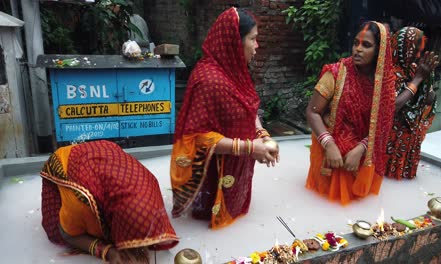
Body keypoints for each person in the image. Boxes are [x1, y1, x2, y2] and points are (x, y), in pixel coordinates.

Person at [170, 7, 279, 229]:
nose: (257, 46)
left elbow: (248, 109)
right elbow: (197, 137)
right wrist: (250, 148)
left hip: (237, 167)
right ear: (234, 42)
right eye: (253, 39)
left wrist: (262, 135)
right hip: (212, 176)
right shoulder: (208, 81)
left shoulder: (235, 71)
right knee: (208, 217)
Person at [40, 140, 178, 264]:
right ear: (117, 221)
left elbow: (146, 217)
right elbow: (68, 234)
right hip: (66, 164)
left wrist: (143, 242)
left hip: (103, 155)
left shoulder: (150, 185)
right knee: (56, 230)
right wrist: (107, 252)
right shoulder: (80, 201)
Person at [305, 21, 396, 205]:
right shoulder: (336, 73)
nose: (358, 49)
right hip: (331, 156)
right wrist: (330, 145)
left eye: (366, 45)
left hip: (362, 155)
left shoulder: (384, 84)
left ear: (379, 51)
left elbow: (382, 123)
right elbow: (312, 112)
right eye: (356, 43)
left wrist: (361, 149)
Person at [385, 27, 439, 180]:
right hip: (390, 139)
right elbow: (393, 106)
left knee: (403, 182)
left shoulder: (415, 69)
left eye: (420, 51)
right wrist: (417, 80)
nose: (417, 55)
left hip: (409, 139)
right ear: (402, 48)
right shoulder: (388, 72)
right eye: (414, 50)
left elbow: (429, 99)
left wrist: (428, 78)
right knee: (385, 181)